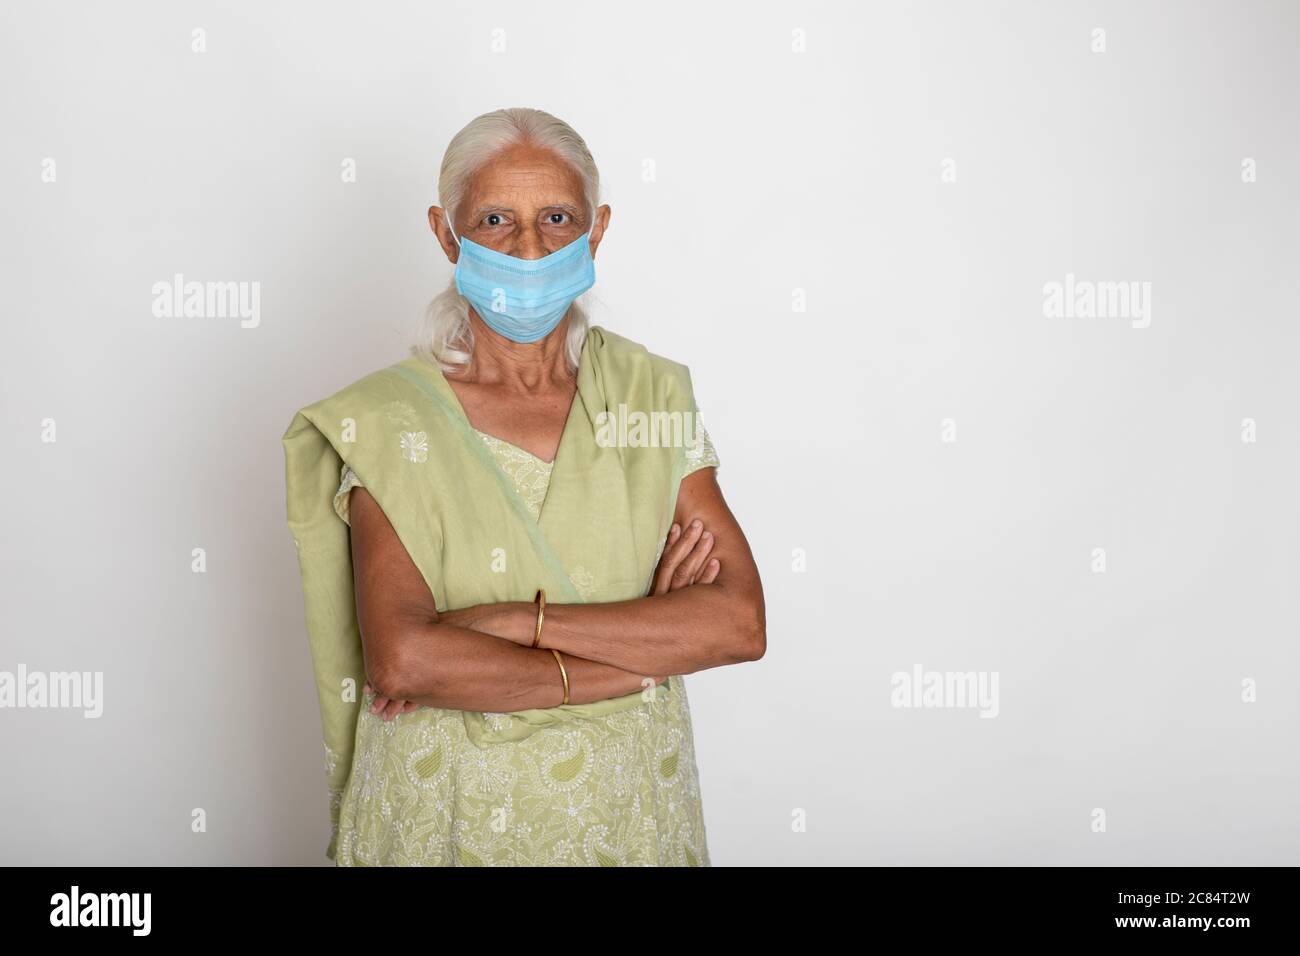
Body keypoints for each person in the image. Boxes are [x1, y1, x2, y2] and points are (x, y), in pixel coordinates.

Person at [282, 107, 765, 866]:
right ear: (448, 234)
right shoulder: (390, 420)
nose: (530, 246)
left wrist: (511, 621)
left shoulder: (648, 397)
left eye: (558, 217)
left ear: (596, 230)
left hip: (628, 809)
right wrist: (642, 653)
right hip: (449, 815)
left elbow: (736, 625)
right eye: (497, 219)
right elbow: (408, 662)